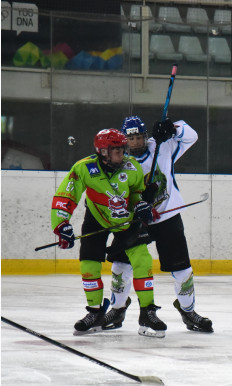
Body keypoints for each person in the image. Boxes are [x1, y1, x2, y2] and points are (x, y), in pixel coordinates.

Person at [50, 129, 165, 337]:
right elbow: (65, 196)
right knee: (88, 264)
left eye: (123, 150)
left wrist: (140, 205)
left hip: (126, 221)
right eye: (117, 151)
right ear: (103, 152)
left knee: (143, 260)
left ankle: (148, 312)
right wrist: (61, 224)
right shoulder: (83, 168)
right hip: (96, 219)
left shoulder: (132, 167)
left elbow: (137, 194)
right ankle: (95, 312)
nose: (122, 155)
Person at [103, 115, 213, 333]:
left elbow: (192, 136)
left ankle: (188, 311)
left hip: (167, 218)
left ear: (146, 136)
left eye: (139, 137)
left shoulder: (162, 146)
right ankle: (117, 308)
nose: (135, 142)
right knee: (121, 266)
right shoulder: (120, 162)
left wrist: (172, 128)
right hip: (135, 220)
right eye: (130, 138)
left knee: (182, 269)